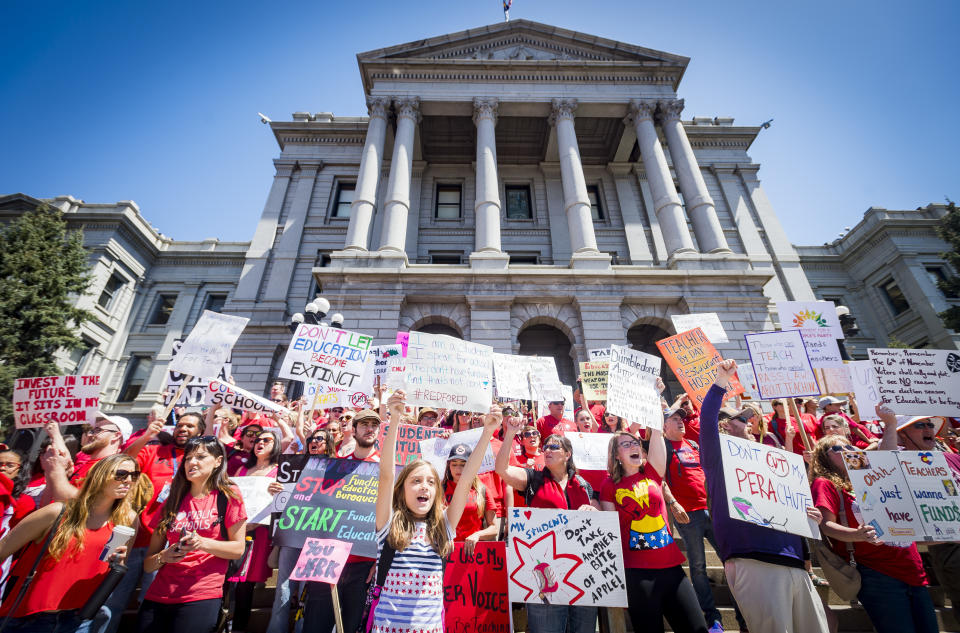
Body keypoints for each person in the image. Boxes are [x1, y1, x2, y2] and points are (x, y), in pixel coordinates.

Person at [700, 360, 829, 633]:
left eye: (749, 419)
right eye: (741, 418)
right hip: (753, 559)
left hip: (793, 561)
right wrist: (721, 380)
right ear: (724, 426)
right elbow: (707, 419)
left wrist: (807, 516)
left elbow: (790, 503)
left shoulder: (771, 460)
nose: (749, 423)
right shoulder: (716, 457)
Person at [372, 390, 499, 633]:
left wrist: (488, 432)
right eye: (416, 481)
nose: (424, 486)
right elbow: (387, 475)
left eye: (431, 482)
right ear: (401, 490)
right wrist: (395, 418)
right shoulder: (389, 522)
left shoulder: (444, 525)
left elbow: (466, 479)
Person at [810, 419, 936, 633]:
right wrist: (858, 534)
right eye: (837, 448)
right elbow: (827, 526)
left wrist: (889, 423)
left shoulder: (871, 476)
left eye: (849, 446)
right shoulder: (825, 483)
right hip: (877, 573)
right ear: (825, 458)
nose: (847, 450)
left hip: (913, 569)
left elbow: (886, 456)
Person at [0, 454, 138, 632]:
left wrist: (117, 563)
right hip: (30, 618)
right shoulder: (56, 512)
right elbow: (3, 549)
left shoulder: (128, 519)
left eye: (134, 476)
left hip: (78, 619)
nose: (128, 480)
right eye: (121, 474)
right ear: (100, 475)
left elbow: (118, 567)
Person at [97, 412, 205, 633]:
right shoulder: (153, 451)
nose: (183, 429)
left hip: (169, 543)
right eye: (180, 425)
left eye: (190, 426)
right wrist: (146, 436)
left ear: (201, 432)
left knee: (152, 605)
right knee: (112, 602)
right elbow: (123, 461)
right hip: (134, 538)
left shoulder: (203, 462)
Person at [496, 417, 598, 633]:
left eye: (554, 447)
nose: (547, 450)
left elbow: (600, 518)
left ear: (567, 454)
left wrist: (593, 512)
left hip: (582, 571)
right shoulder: (533, 479)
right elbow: (502, 469)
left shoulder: (583, 484)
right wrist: (511, 434)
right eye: (545, 447)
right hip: (543, 572)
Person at [601, 430, 708, 633]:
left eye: (635, 442)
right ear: (616, 455)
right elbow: (610, 530)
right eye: (626, 444)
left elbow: (658, 435)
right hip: (636, 573)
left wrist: (655, 415)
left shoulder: (651, 472)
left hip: (672, 568)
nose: (634, 446)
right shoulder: (609, 485)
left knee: (698, 629)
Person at [138, 437, 247, 632]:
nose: (192, 462)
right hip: (158, 595)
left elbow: (238, 549)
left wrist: (201, 543)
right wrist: (165, 556)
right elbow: (148, 565)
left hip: (201, 595)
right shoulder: (173, 498)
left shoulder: (229, 495)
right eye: (188, 458)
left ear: (218, 461)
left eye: (201, 457)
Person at [300, 408, 382, 633]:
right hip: (327, 560)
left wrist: (379, 559)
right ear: (353, 430)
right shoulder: (335, 465)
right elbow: (315, 507)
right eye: (364, 424)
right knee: (315, 626)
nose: (369, 429)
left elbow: (391, 517)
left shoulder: (386, 470)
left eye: (374, 425)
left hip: (363, 567)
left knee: (352, 626)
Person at [661, 408, 725, 632]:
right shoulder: (664, 448)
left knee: (731, 561)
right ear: (664, 426)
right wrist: (672, 503)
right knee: (698, 568)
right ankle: (712, 619)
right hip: (688, 516)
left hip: (712, 510)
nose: (680, 422)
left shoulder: (694, 445)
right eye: (674, 420)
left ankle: (743, 616)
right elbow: (659, 479)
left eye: (681, 419)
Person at [896, 414, 960, 628]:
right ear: (902, 435)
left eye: (930, 425)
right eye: (919, 425)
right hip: (950, 548)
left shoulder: (952, 458)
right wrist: (888, 426)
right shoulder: (898, 462)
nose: (928, 429)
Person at [228, 430, 280, 632]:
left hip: (258, 533)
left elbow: (280, 504)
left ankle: (239, 626)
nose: (260, 443)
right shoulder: (241, 469)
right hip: (235, 530)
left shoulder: (278, 472)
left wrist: (279, 492)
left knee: (245, 582)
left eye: (267, 440)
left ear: (275, 446)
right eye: (258, 440)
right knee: (229, 578)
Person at [43, 414, 132, 503]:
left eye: (97, 430)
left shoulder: (115, 468)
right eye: (91, 430)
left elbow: (82, 504)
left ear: (116, 435)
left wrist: (57, 471)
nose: (89, 434)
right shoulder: (90, 464)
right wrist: (55, 435)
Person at [442, 443, 498, 554]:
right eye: (454, 464)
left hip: (474, 553)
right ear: (449, 466)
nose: (458, 468)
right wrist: (444, 537)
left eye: (463, 464)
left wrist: (477, 535)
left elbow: (494, 528)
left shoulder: (482, 490)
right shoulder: (439, 489)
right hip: (446, 551)